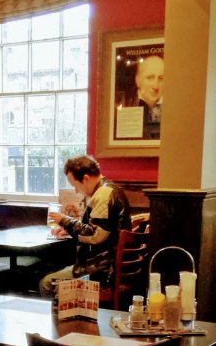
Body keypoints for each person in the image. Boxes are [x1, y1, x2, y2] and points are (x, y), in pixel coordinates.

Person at [39, 155, 131, 296]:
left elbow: (95, 235)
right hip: (108, 265)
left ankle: (67, 311)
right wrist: (69, 230)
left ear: (86, 178)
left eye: (75, 185)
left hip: (102, 272)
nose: (76, 190)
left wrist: (65, 220)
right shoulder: (111, 188)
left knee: (46, 283)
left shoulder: (103, 194)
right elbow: (100, 229)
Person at [132, 54, 164, 140]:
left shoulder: (171, 110)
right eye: (150, 78)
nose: (155, 86)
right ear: (138, 80)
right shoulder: (127, 107)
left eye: (161, 78)